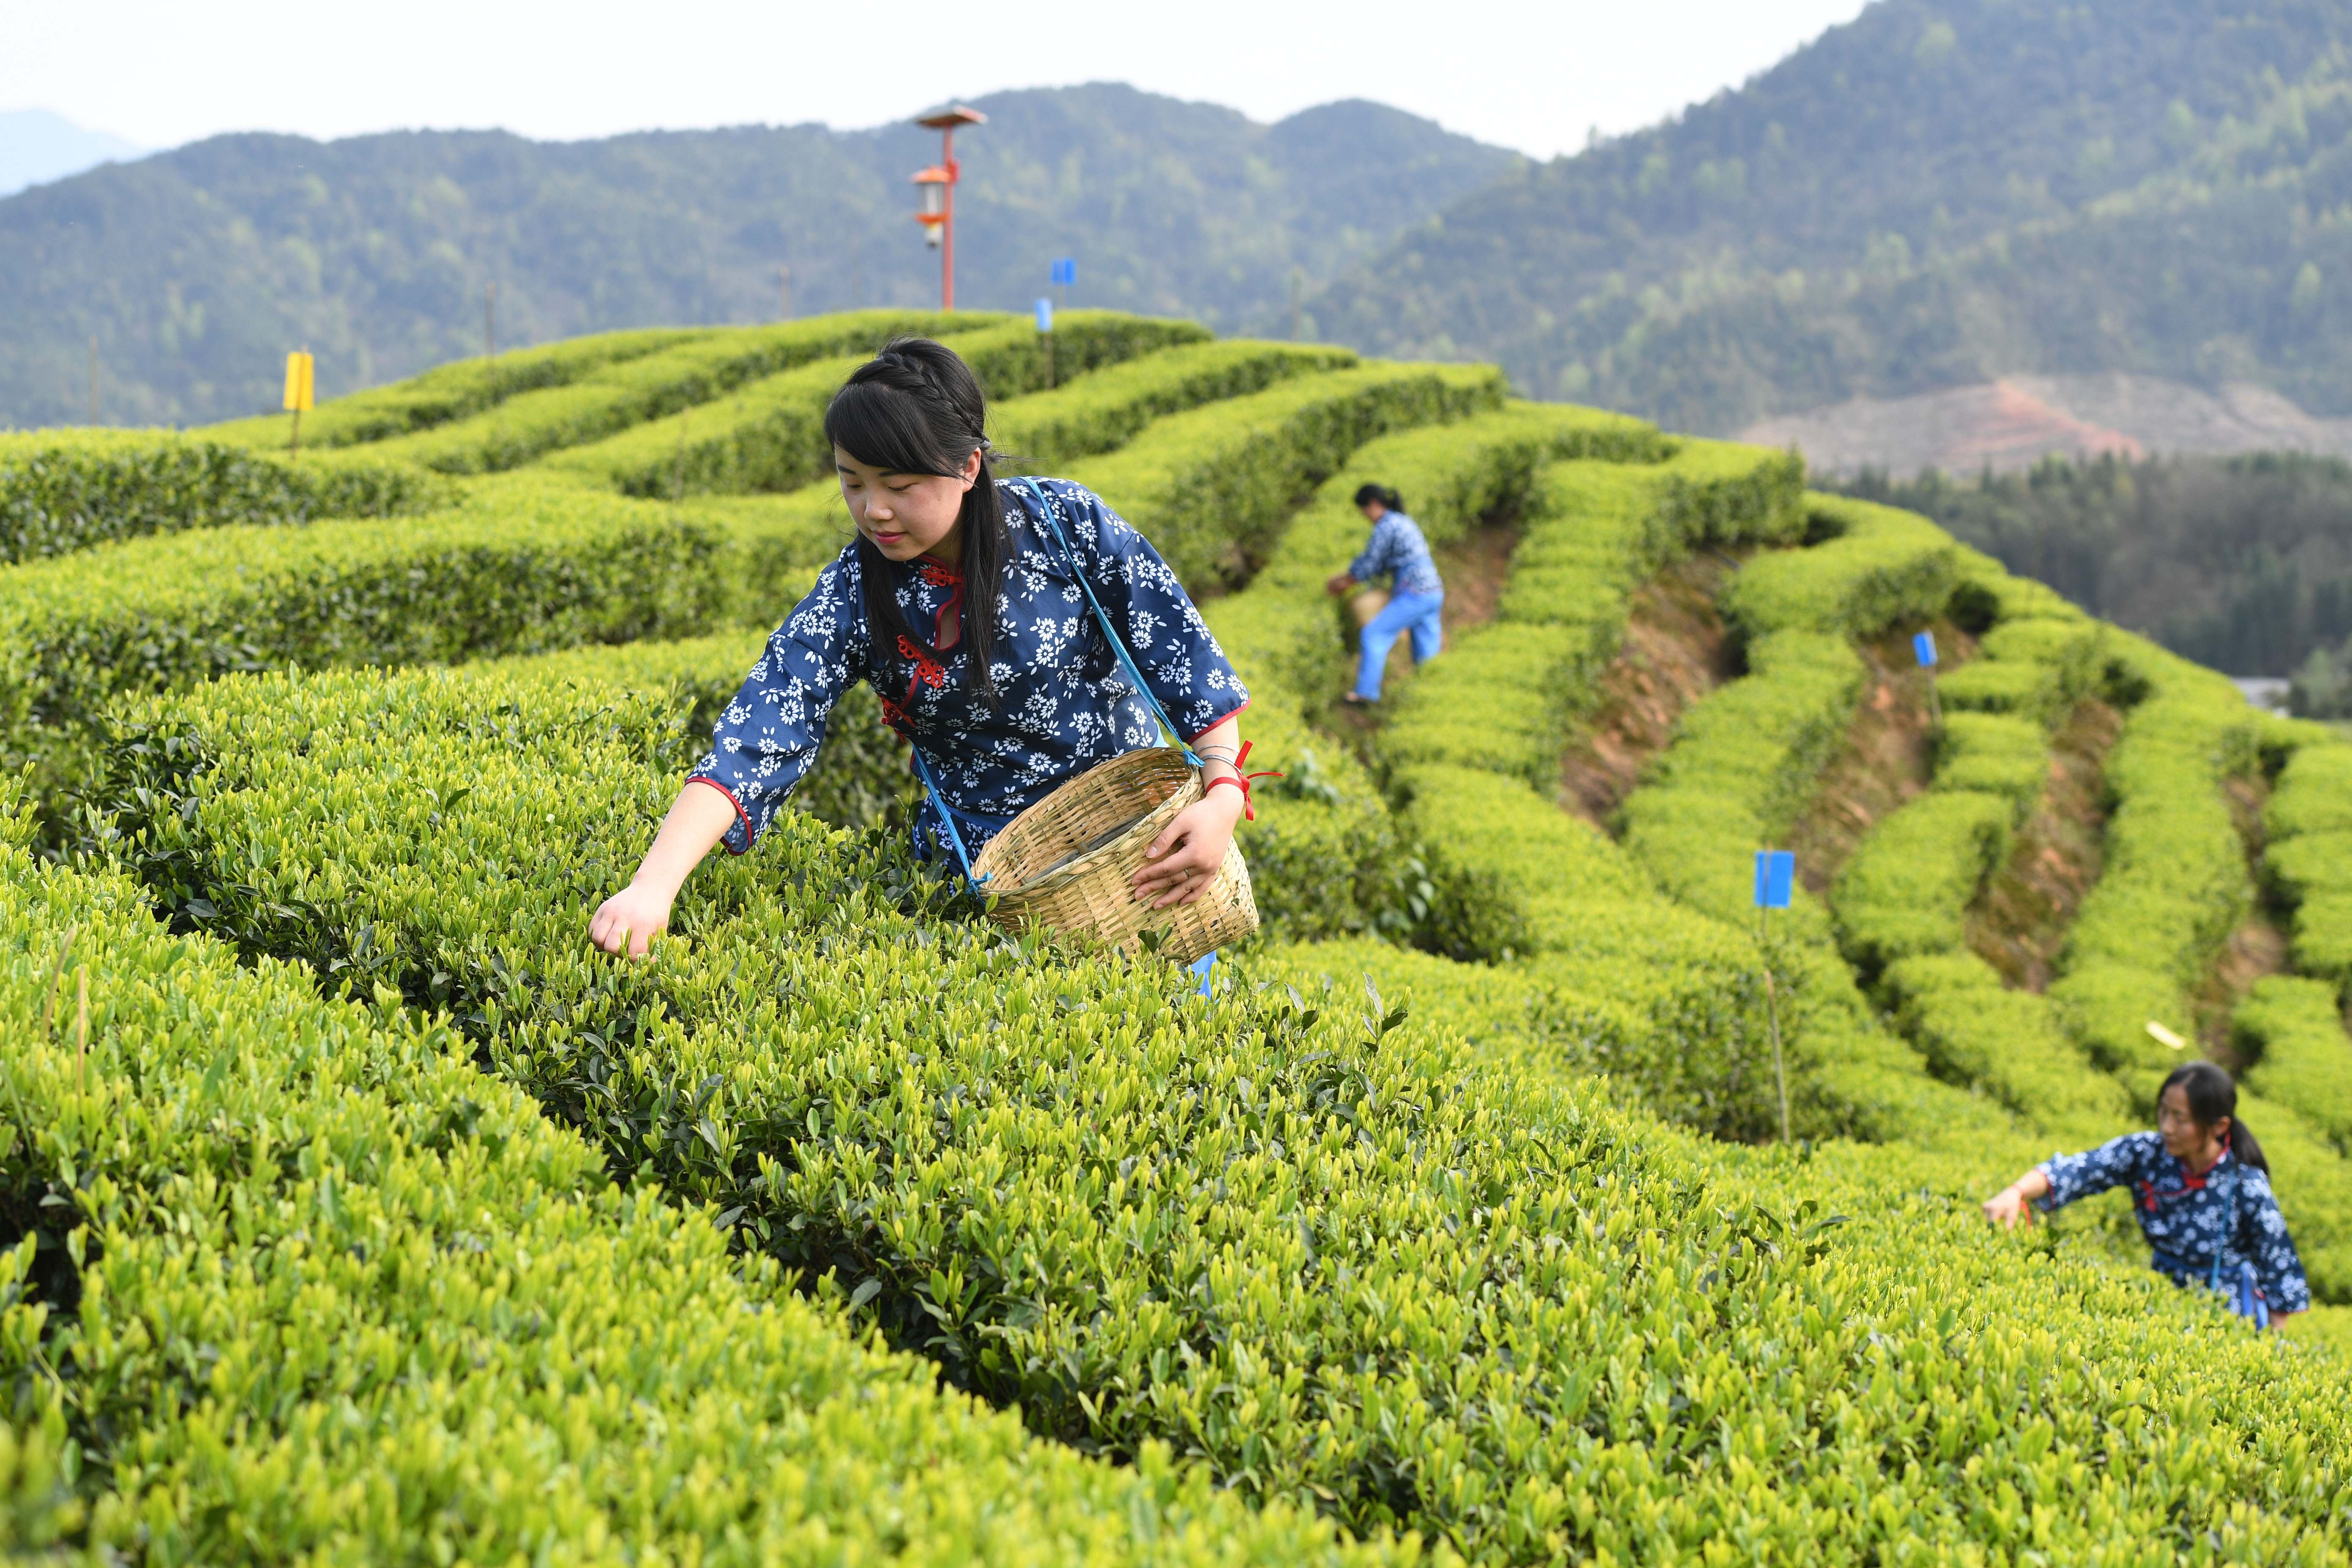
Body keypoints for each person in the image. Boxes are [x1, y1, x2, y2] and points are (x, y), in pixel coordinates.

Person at [589, 338, 1258, 958]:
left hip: (1140, 852)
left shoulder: (1066, 525)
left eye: (900, 487)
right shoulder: (853, 593)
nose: (873, 509)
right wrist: (654, 887)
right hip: (986, 886)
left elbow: (1181, 657)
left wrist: (1223, 792)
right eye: (853, 482)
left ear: (968, 467)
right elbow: (761, 732)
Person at [1982, 1061, 2308, 1326]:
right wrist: (2017, 1191)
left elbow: (2278, 1267)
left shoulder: (2246, 1185)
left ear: (2220, 1127)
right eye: (2164, 1112)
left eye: (2180, 1119)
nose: (2166, 1127)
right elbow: (2080, 1170)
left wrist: (2274, 1344)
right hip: (2160, 1297)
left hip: (2227, 1311)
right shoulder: (2147, 1153)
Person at [1325, 483, 1444, 705]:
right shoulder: (1402, 521)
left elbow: (1371, 563)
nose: (1366, 518)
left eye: (1364, 512)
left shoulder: (1386, 526)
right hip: (1433, 591)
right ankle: (1431, 699)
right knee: (1427, 652)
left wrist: (1346, 581)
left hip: (1415, 592)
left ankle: (1365, 694)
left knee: (1373, 635)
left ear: (1372, 505)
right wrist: (1348, 576)